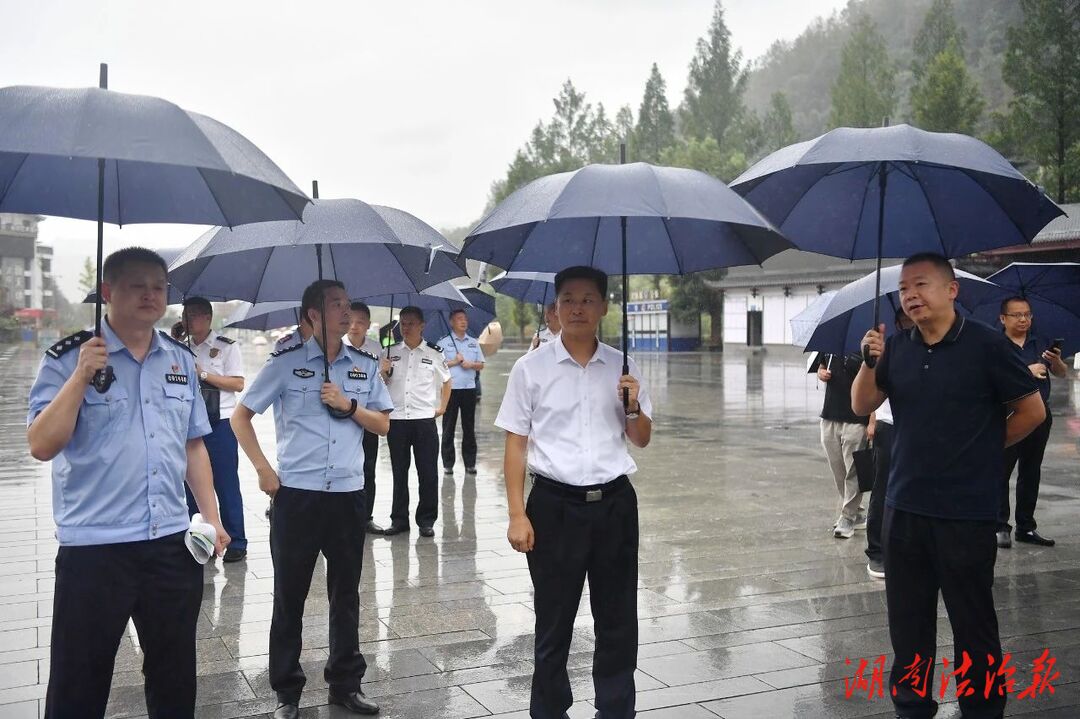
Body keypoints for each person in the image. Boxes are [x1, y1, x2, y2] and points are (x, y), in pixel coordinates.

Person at [27, 247, 230, 719]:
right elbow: (41, 444)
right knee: (79, 681)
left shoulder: (179, 360)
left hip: (170, 545)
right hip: (95, 549)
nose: (150, 295)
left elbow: (193, 445)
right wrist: (80, 377)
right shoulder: (68, 358)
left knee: (174, 675)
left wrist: (212, 517)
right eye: (137, 285)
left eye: (158, 287)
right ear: (107, 292)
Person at [852, 252, 1045, 719]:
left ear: (951, 289)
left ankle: (982, 708)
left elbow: (1032, 412)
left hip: (965, 511)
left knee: (974, 623)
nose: (911, 296)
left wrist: (981, 448)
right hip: (905, 508)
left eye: (920, 285)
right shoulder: (896, 346)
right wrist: (867, 360)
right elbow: (863, 404)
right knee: (908, 623)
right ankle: (913, 706)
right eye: (903, 289)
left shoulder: (986, 345)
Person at [231, 280, 393, 719]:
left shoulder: (363, 364)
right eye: (335, 305)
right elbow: (241, 417)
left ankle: (346, 684)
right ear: (311, 315)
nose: (346, 311)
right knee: (290, 595)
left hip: (346, 496)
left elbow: (382, 424)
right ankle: (287, 691)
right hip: (296, 498)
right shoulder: (285, 363)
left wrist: (348, 405)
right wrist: (265, 470)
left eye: (346, 304)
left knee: (346, 595)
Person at [496, 266, 653, 719]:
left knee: (618, 620)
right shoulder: (531, 369)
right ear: (555, 308)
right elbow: (516, 442)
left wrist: (634, 406)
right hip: (553, 508)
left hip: (615, 506)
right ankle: (549, 710)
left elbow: (641, 437)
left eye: (587, 299)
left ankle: (616, 708)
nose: (578, 307)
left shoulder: (623, 366)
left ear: (604, 307)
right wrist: (515, 514)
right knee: (554, 621)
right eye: (568, 299)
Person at [171, 296, 248, 563]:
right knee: (192, 484)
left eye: (193, 315)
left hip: (221, 423)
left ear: (207, 317)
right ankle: (201, 538)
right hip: (189, 424)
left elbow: (238, 384)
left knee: (226, 484)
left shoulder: (225, 347)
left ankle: (236, 540)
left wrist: (201, 373)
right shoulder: (178, 348)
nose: (187, 320)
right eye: (184, 315)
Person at [996, 296, 1068, 549]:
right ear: (1003, 318)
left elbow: (1060, 373)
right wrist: (1027, 371)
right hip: (1007, 414)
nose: (1024, 319)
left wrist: (1056, 362)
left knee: (1031, 470)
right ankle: (1000, 526)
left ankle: (1026, 526)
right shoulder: (994, 344)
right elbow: (987, 378)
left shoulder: (1040, 341)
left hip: (1039, 415)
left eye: (1027, 314)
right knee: (1001, 471)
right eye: (1017, 315)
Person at [378, 306, 451, 537]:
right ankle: (399, 520)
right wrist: (384, 373)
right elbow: (379, 385)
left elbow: (447, 381)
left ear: (422, 326)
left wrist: (442, 407)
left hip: (423, 421)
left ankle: (426, 520)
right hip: (397, 419)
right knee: (399, 473)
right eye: (402, 323)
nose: (406, 327)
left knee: (427, 472)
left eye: (411, 323)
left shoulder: (434, 353)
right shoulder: (388, 352)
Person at [864, 308, 915, 579]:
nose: (910, 324)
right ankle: (876, 552)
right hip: (890, 425)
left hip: (920, 427)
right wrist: (872, 421)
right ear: (897, 323)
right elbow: (868, 397)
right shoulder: (888, 350)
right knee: (882, 489)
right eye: (904, 320)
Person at [809, 350, 868, 538]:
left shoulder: (866, 346)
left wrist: (872, 420)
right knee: (838, 470)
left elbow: (877, 384)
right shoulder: (830, 345)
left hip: (856, 418)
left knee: (853, 471)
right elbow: (821, 366)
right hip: (829, 415)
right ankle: (856, 512)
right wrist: (821, 373)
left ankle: (848, 517)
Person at [345, 301, 388, 535]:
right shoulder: (335, 346)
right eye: (350, 320)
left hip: (368, 417)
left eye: (360, 322)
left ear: (368, 325)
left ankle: (365, 517)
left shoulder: (375, 348)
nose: (354, 326)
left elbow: (380, 385)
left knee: (367, 468)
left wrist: (385, 371)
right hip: (342, 419)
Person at [440, 308, 485, 477]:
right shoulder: (444, 343)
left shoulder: (473, 342)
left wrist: (470, 365)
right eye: (459, 319)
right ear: (452, 322)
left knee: (469, 427)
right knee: (448, 427)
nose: (463, 321)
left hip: (468, 390)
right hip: (450, 390)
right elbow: (438, 366)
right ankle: (448, 464)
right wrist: (454, 361)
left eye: (465, 319)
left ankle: (470, 464)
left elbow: (481, 364)